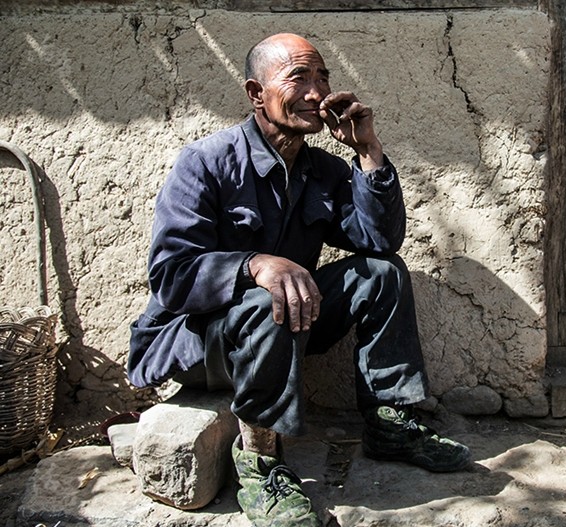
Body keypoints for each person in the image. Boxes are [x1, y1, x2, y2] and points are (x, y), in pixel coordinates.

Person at [128, 32, 471, 527]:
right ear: (255, 93)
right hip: (204, 344)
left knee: (382, 274)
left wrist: (369, 152)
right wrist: (255, 264)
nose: (317, 92)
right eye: (299, 78)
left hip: (288, 326)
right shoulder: (205, 162)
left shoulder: (322, 169)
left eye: (323, 77)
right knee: (270, 298)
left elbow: (380, 241)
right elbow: (172, 277)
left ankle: (389, 422)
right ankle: (262, 464)